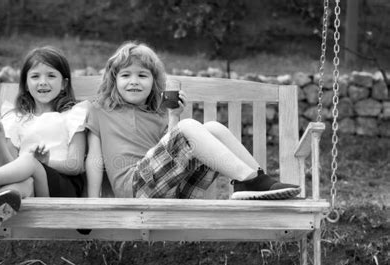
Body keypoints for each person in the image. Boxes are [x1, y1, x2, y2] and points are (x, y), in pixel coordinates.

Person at [85, 41, 300, 200]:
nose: (134, 82)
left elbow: (169, 157)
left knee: (213, 128)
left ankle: (256, 179)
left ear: (153, 82)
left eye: (142, 75)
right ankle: (250, 180)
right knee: (187, 126)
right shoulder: (100, 110)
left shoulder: (158, 114)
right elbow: (94, 160)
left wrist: (173, 116)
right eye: (125, 76)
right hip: (135, 189)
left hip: (173, 191)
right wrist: (92, 204)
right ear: (114, 81)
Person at [0, 46, 88, 236]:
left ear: (64, 84)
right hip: (33, 188)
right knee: (16, 189)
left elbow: (76, 165)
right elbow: (12, 165)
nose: (43, 82)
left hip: (64, 189)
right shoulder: (17, 118)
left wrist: (45, 163)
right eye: (35, 76)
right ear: (26, 83)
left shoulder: (72, 115)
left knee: (30, 161)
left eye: (51, 76)